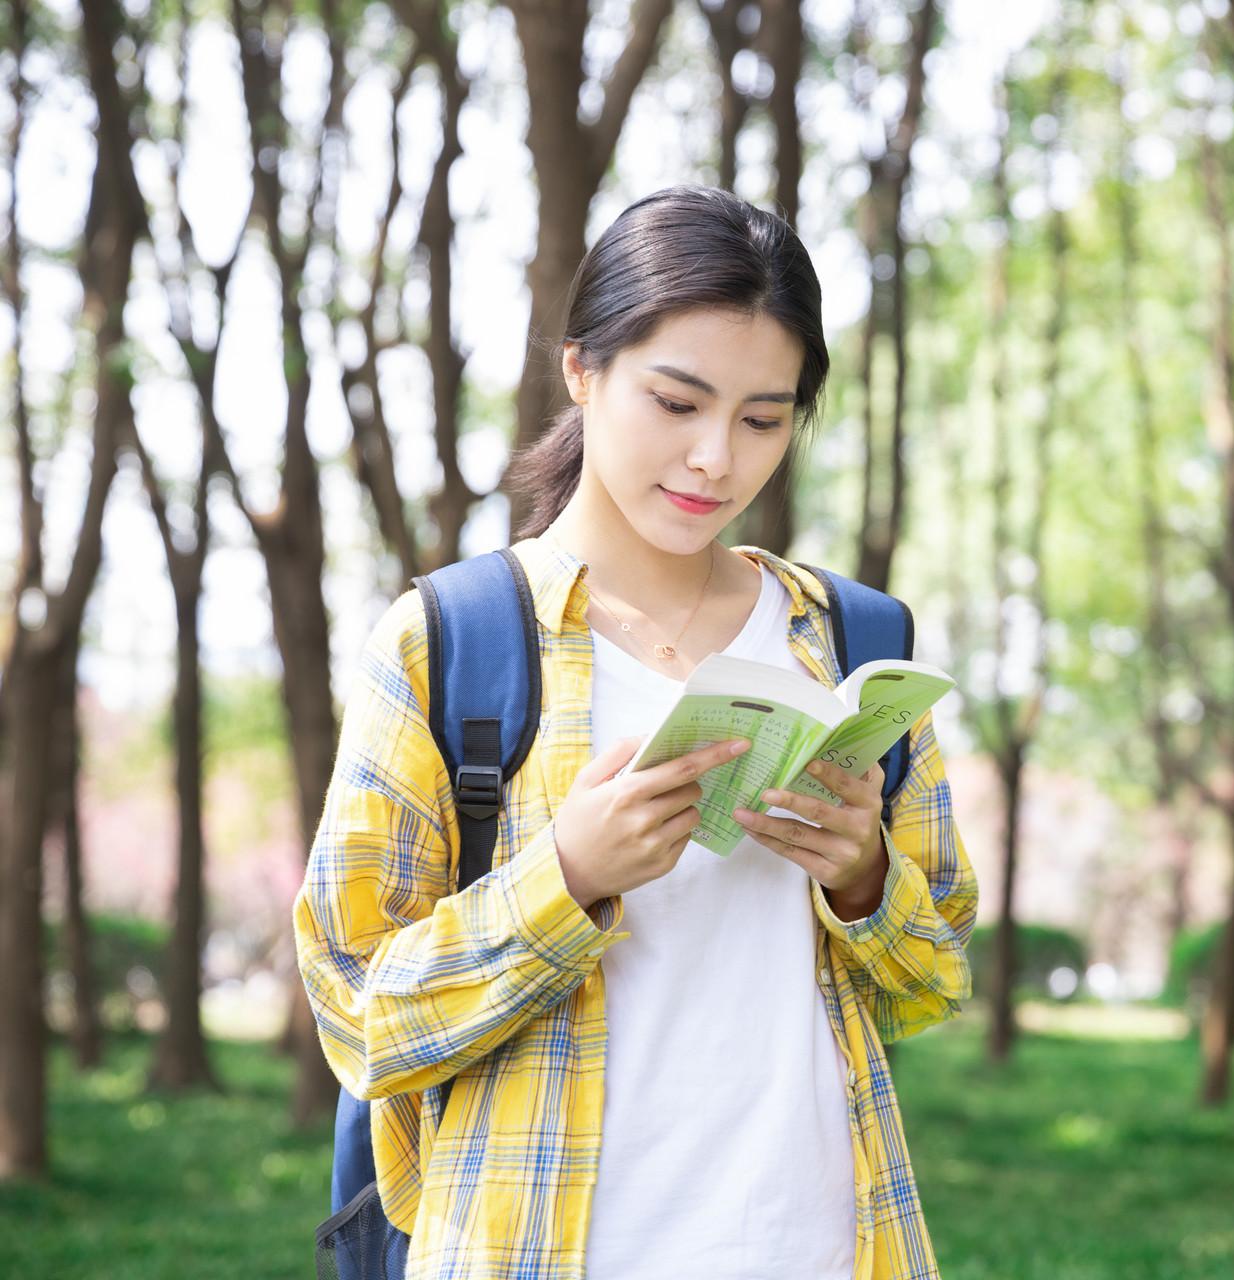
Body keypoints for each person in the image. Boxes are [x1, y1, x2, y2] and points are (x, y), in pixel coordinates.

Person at [293, 184, 977, 1280]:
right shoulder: (449, 639)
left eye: (763, 418)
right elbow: (363, 1015)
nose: (716, 457)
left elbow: (932, 980)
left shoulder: (848, 641)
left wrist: (862, 878)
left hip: (818, 1243)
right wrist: (566, 875)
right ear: (582, 368)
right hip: (537, 1246)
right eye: (677, 401)